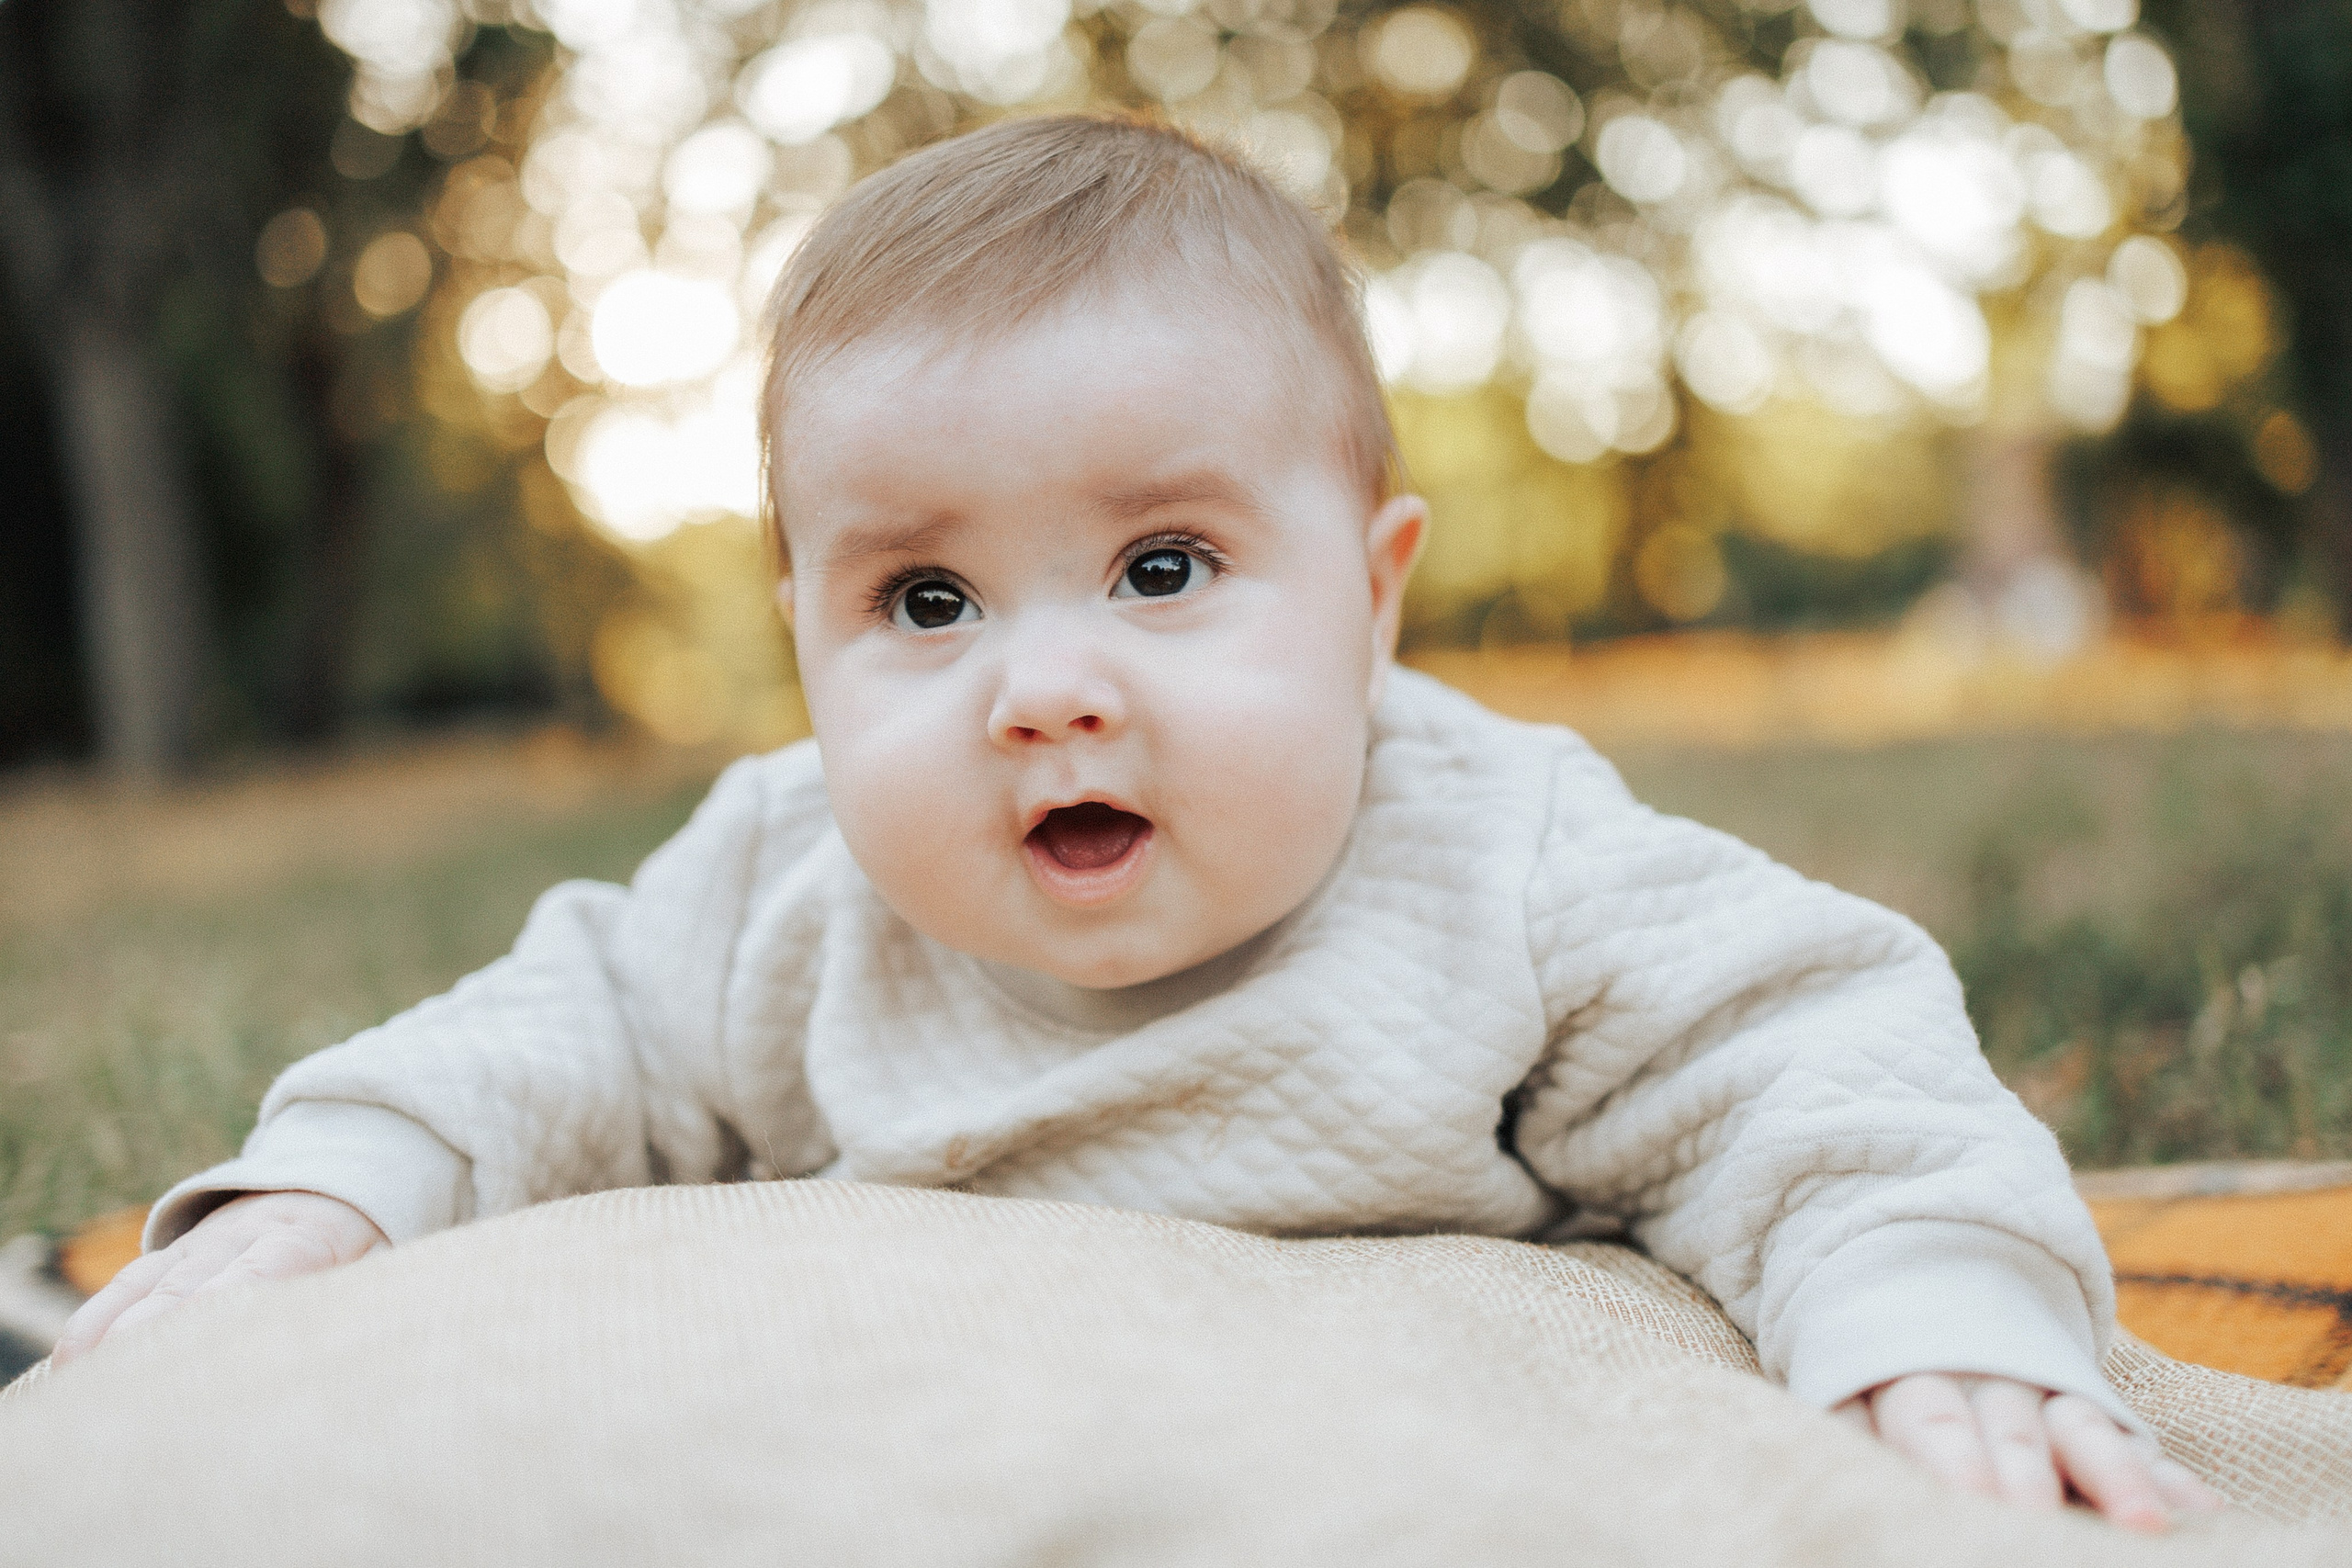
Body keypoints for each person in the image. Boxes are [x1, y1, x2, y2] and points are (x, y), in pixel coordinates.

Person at [58, 115, 2216, 1529]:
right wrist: (332, 1192)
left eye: (1162, 567)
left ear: (1370, 601)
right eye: (923, 597)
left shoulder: (1507, 863)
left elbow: (1806, 1054)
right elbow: (549, 1034)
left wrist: (1930, 1309)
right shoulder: (791, 876)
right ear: (799, 627)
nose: (1046, 681)